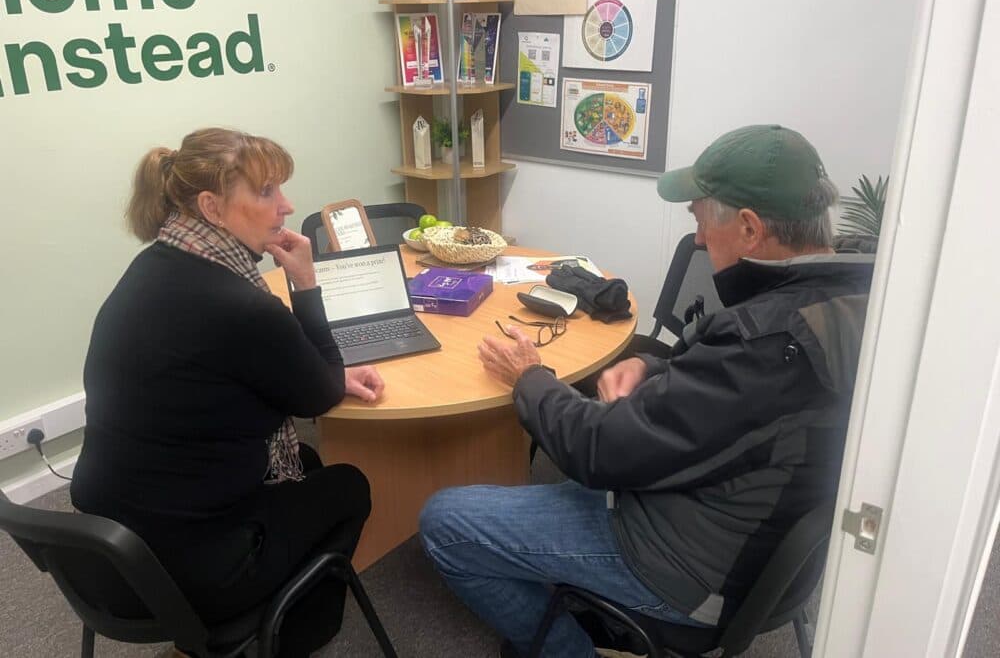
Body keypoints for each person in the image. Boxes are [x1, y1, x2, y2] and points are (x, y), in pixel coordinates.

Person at [419, 125, 876, 658]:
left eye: (701, 221)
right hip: (745, 527)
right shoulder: (847, 292)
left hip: (688, 568)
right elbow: (726, 392)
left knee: (444, 522)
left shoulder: (768, 347)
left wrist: (530, 375)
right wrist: (648, 363)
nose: (700, 240)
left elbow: (598, 452)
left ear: (750, 229)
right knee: (577, 439)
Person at [70, 127, 385, 658]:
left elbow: (252, 376)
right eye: (266, 193)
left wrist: (316, 373)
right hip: (191, 564)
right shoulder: (241, 306)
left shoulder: (154, 266)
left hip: (106, 549)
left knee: (304, 460)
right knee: (348, 485)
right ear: (212, 207)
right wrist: (307, 284)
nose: (286, 206)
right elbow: (318, 396)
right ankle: (282, 639)